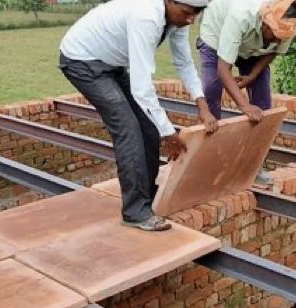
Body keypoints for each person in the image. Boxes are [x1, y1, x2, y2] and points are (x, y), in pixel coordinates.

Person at [59, 0, 217, 232]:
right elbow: (142, 88)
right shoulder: (147, 16)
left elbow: (184, 63)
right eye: (187, 12)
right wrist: (169, 133)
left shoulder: (177, 19)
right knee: (128, 129)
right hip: (81, 61)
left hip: (111, 64)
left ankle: (148, 196)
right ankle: (135, 211)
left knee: (148, 126)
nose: (191, 19)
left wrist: (202, 105)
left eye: (197, 14)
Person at [196, 0, 296, 184]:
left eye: (282, 38)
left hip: (254, 50)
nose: (278, 40)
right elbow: (223, 69)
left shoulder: (289, 22)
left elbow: (273, 51)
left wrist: (251, 76)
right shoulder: (240, 16)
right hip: (217, 34)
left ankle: (254, 165)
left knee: (263, 106)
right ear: (266, 21)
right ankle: (212, 165)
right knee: (211, 93)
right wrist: (244, 105)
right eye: (275, 34)